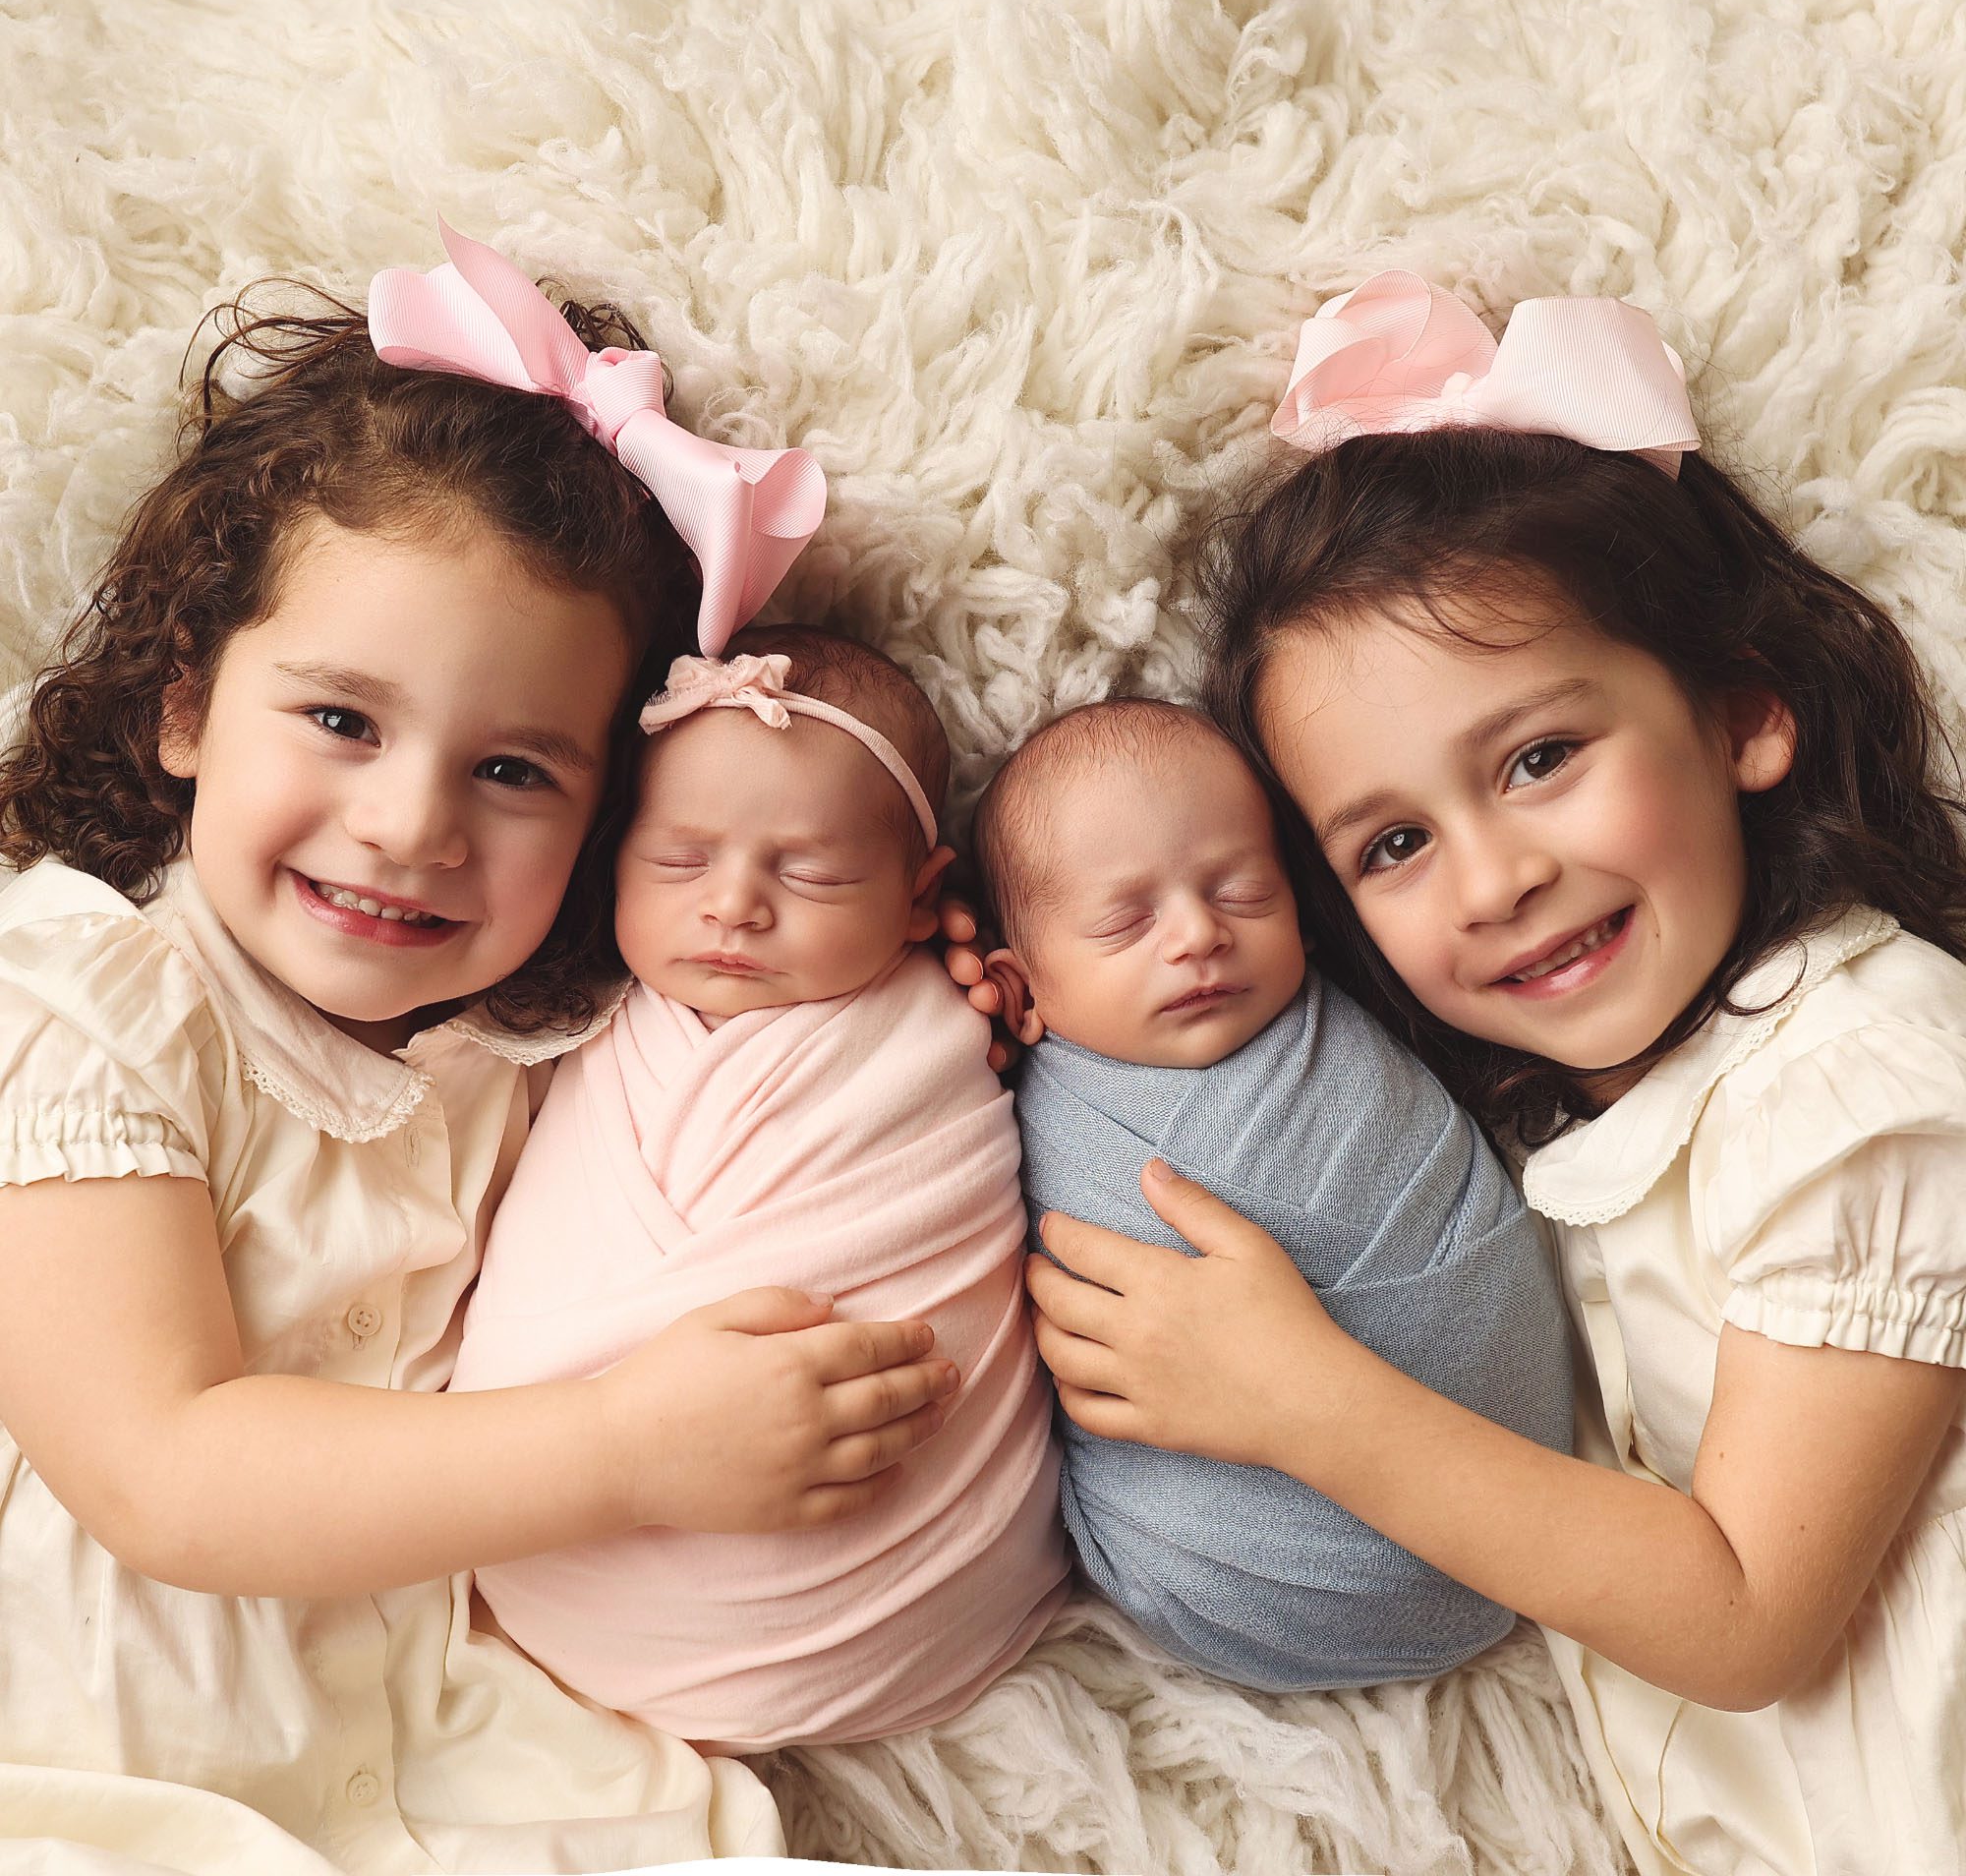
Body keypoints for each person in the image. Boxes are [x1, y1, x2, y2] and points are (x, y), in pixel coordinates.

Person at [0, 224, 958, 1874]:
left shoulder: (537, 1041)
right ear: (183, 711)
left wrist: (942, 984)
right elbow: (163, 1465)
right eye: (342, 719)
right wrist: (631, 1453)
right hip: (98, 1760)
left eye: (515, 772)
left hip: (458, 1748)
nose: (410, 826)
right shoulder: (91, 1004)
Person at [1022, 271, 1966, 1876]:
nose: (1491, 880)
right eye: (1393, 845)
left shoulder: (1860, 1074)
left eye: (1540, 759)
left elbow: (1744, 1616)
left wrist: (1303, 1401)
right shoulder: (1588, 1121)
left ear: (1744, 712)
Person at [452, 626, 1068, 1752]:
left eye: (813, 871)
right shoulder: (574, 1015)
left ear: (921, 893)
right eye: (679, 860)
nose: (732, 904)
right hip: (572, 1535)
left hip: (901, 1599)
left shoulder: (944, 1023)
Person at [967, 695, 1570, 1690]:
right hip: (1217, 1574)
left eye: (1243, 892)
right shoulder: (1008, 1105)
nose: (1198, 934)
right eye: (1125, 920)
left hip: (1518, 1513)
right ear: (1021, 991)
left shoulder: (1357, 1024)